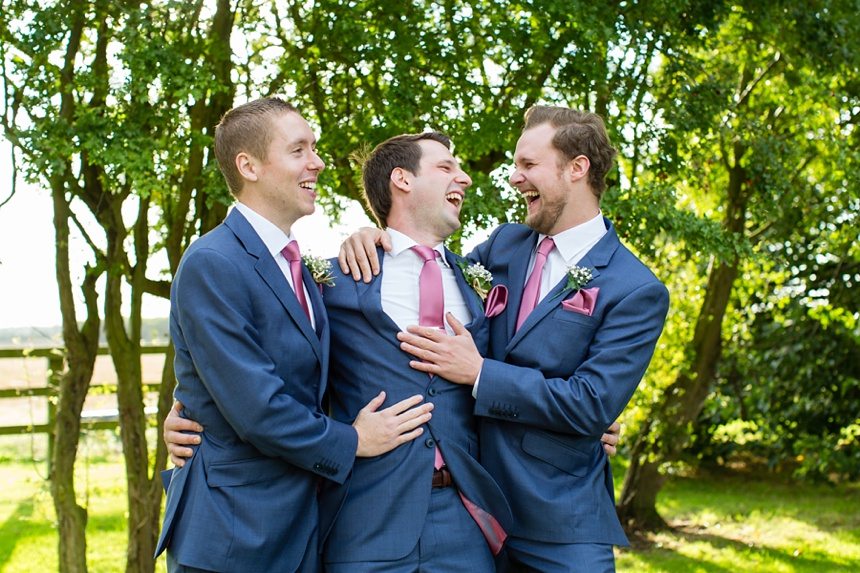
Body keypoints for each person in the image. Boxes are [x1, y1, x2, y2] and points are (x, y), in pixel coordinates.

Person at [340, 105, 669, 572]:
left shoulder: (635, 289)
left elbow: (592, 402)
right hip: (475, 511)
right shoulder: (503, 246)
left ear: (577, 168)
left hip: (561, 521)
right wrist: (371, 236)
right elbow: (425, 269)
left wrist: (480, 374)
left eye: (528, 165)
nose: (514, 178)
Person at [153, 97, 434, 573]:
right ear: (250, 166)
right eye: (299, 149)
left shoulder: (300, 268)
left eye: (315, 148)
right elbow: (257, 407)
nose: (317, 162)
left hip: (299, 525)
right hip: (232, 534)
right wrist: (353, 440)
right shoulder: (213, 262)